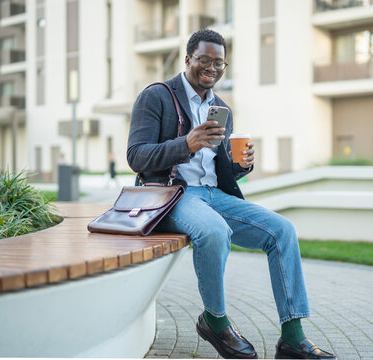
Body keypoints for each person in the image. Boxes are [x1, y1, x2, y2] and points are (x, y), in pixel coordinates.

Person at [127, 29, 336, 359]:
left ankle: (293, 338)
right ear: (188, 60)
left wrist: (241, 165)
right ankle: (215, 319)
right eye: (204, 60)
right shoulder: (157, 96)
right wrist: (186, 144)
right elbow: (136, 156)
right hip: (173, 195)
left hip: (214, 195)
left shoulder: (222, 108)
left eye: (219, 62)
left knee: (283, 231)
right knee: (213, 231)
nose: (212, 68)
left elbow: (219, 169)